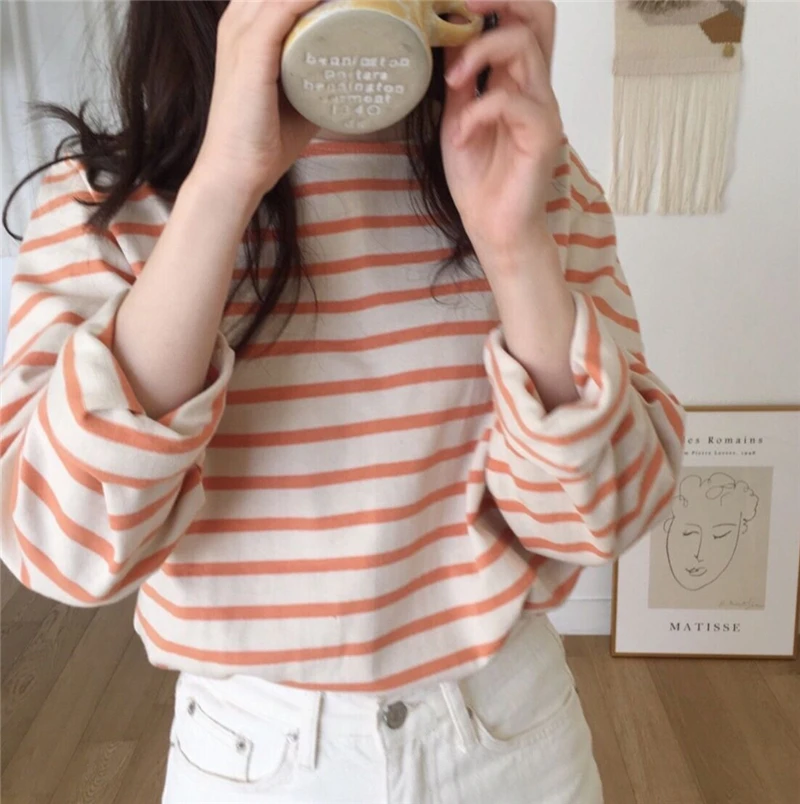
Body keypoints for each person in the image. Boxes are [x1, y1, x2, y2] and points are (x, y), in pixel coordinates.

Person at [0, 1, 685, 802]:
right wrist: (221, 190)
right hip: (250, 758)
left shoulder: (530, 174)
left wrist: (514, 247)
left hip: (513, 740)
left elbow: (607, 515)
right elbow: (63, 547)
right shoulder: (107, 206)